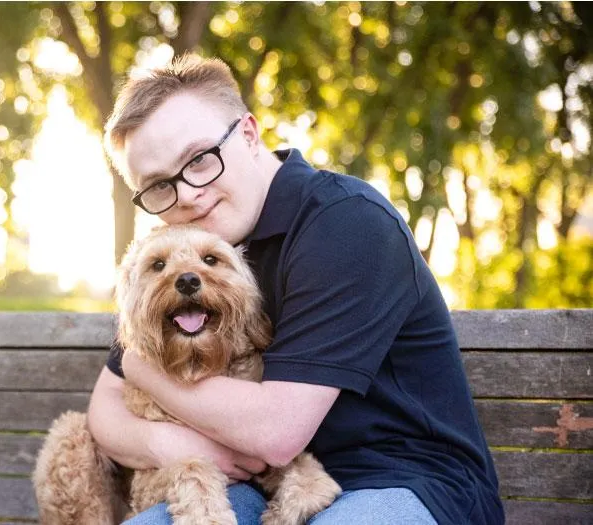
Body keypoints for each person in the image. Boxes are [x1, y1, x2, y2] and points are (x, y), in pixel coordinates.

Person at [86, 53, 504, 525]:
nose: (185, 195)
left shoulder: (346, 223)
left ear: (248, 134)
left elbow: (275, 433)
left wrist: (141, 368)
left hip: (401, 481)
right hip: (257, 487)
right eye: (159, 186)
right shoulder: (183, 263)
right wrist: (169, 443)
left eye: (199, 160)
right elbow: (104, 410)